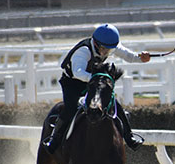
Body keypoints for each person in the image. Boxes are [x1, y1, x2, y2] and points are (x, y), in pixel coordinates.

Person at [43, 23, 150, 154]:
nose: (106, 53)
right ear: (95, 43)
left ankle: (129, 137)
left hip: (93, 81)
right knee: (71, 109)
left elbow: (129, 56)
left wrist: (141, 58)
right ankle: (54, 140)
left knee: (114, 104)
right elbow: (78, 72)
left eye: (110, 50)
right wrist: (97, 79)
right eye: (104, 49)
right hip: (73, 83)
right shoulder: (83, 51)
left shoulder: (108, 44)